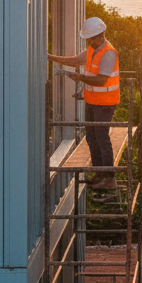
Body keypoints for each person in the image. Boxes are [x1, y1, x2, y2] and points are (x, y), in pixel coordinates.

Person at [48, 17, 121, 194]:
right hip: (92, 101)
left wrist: (79, 77)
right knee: (92, 138)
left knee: (102, 138)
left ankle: (109, 178)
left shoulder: (109, 53)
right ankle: (99, 174)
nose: (88, 41)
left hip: (105, 103)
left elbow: (101, 80)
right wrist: (50, 58)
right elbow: (75, 61)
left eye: (90, 38)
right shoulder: (92, 49)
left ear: (99, 36)